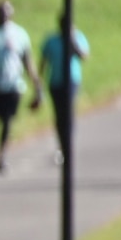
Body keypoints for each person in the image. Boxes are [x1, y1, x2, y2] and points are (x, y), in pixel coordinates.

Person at [0, 0, 42, 172]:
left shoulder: (19, 34)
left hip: (12, 86)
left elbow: (27, 61)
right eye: (0, 13)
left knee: (7, 122)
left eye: (6, 13)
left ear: (11, 14)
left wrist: (36, 84)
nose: (3, 16)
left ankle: (2, 156)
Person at [40, 13, 90, 164]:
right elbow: (44, 62)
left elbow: (84, 56)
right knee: (59, 116)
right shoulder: (52, 41)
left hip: (72, 81)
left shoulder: (77, 37)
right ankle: (62, 145)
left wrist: (72, 40)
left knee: (68, 114)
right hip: (55, 81)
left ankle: (68, 146)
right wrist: (39, 83)